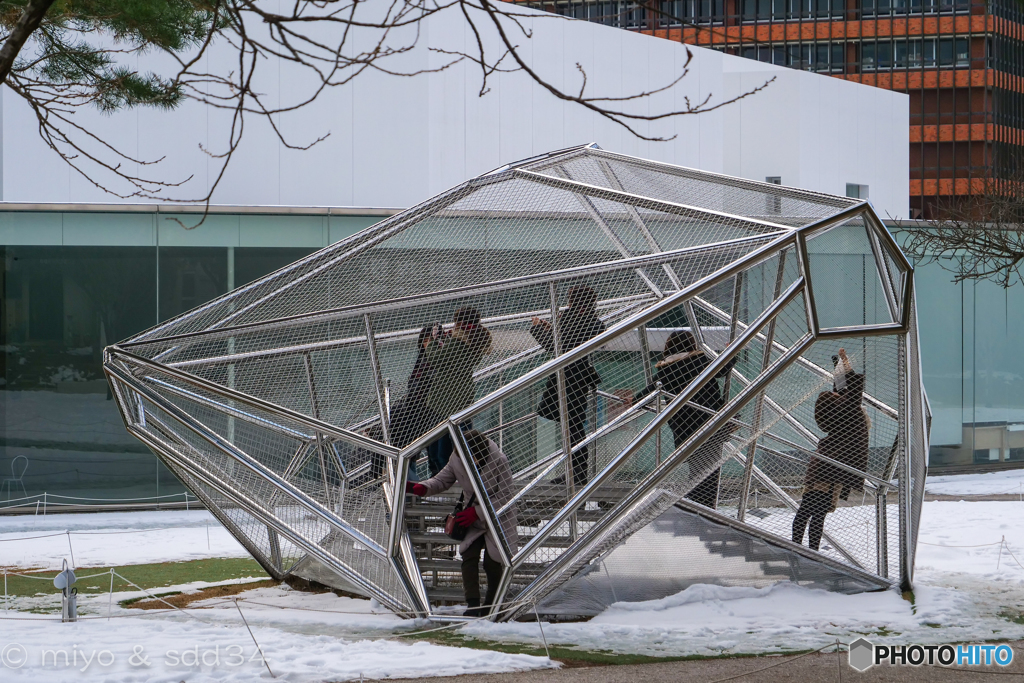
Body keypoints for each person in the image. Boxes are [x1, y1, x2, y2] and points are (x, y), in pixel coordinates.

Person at [407, 429, 519, 617]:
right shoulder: (457, 457)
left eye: (474, 458)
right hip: (471, 517)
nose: (472, 462)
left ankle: (492, 607)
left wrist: (477, 513)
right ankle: (473, 606)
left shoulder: (499, 459)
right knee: (469, 556)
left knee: (493, 563)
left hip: (498, 518)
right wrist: (422, 488)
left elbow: (506, 496)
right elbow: (442, 480)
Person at [637, 330, 735, 509]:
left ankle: (695, 506)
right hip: (709, 423)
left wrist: (633, 400)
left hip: (683, 427)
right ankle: (699, 508)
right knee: (710, 471)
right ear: (691, 345)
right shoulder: (699, 362)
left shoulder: (665, 370)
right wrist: (732, 352)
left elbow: (649, 392)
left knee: (697, 470)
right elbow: (722, 369)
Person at [792, 348, 870, 551]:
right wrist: (845, 362)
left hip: (821, 466)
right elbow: (852, 394)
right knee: (816, 514)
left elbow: (843, 391)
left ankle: (797, 549)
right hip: (829, 470)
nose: (838, 395)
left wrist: (840, 365)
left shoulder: (836, 416)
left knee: (807, 511)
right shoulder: (848, 415)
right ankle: (808, 552)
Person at [530, 286, 605, 488]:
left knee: (570, 427)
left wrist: (537, 327)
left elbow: (555, 346)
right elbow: (569, 341)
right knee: (573, 426)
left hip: (566, 378)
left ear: (572, 300)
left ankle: (575, 475)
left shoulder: (571, 318)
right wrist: (553, 327)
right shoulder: (593, 322)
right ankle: (576, 473)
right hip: (580, 379)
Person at [421, 307, 492, 476]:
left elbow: (436, 359)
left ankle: (443, 479)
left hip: (445, 400)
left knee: (438, 447)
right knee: (462, 442)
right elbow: (450, 359)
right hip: (461, 398)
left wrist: (429, 344)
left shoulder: (459, 341)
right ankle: (461, 475)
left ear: (460, 322)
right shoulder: (474, 339)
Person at [368, 323, 440, 480]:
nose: (428, 343)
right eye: (426, 339)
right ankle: (382, 468)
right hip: (414, 410)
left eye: (431, 339)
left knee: (394, 437)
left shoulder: (435, 361)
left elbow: (425, 388)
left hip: (422, 412)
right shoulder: (423, 359)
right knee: (391, 434)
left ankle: (383, 470)